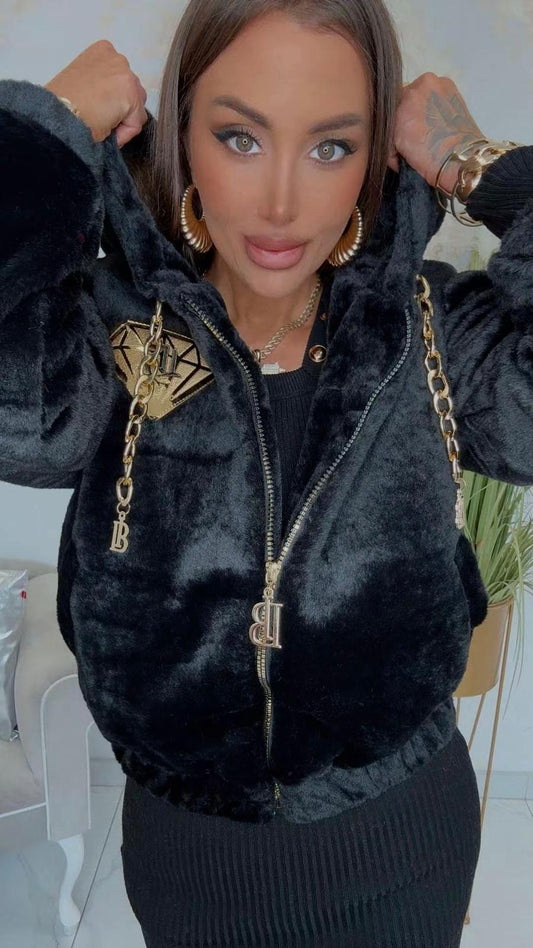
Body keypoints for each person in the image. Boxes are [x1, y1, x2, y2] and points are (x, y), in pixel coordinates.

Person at [1, 1, 532, 945]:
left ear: (375, 160)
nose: (281, 203)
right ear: (182, 136)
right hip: (190, 856)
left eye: (330, 147)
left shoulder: (433, 334)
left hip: (399, 843)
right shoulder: (108, 338)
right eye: (240, 137)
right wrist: (44, 132)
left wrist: (475, 165)